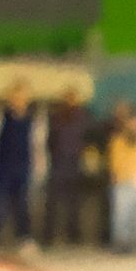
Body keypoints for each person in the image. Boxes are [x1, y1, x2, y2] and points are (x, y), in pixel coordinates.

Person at [0, 82, 37, 251]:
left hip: (23, 169)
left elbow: (36, 145)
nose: (19, 101)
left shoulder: (32, 121)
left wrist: (38, 168)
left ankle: (25, 239)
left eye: (22, 97)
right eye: (16, 97)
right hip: (4, 170)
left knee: (23, 206)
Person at [42, 88, 94, 249]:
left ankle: (74, 236)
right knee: (53, 202)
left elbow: (90, 138)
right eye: (68, 97)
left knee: (74, 202)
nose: (70, 100)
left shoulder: (84, 117)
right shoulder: (56, 117)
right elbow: (48, 139)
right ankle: (49, 236)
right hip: (58, 163)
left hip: (76, 163)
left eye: (73, 97)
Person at [106, 102, 136, 254]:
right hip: (121, 182)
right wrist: (118, 175)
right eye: (132, 122)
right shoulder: (118, 140)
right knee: (121, 215)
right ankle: (120, 245)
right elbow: (114, 160)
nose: (134, 125)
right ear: (127, 123)